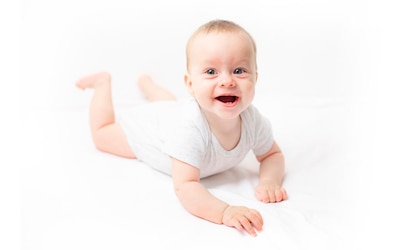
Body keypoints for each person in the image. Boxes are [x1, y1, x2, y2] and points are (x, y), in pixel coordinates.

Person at [75, 19, 287, 237]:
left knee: (170, 105)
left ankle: (147, 85)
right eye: (211, 71)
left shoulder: (253, 121)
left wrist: (269, 181)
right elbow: (185, 185)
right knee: (102, 134)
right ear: (191, 84)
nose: (227, 81)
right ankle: (102, 84)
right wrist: (224, 212)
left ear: (255, 78)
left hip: (170, 111)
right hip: (149, 132)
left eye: (239, 70)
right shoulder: (189, 129)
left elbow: (272, 154)